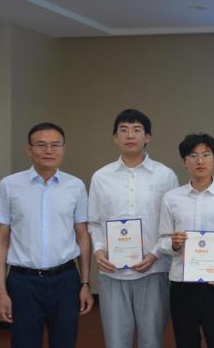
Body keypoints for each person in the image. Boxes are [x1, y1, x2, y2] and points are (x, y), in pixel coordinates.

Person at [0, 122, 94, 348]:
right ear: (29, 149)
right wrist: (1, 291)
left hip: (66, 280)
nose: (48, 151)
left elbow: (83, 236)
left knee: (65, 342)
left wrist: (85, 283)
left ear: (63, 148)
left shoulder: (75, 186)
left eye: (55, 145)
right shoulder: (9, 185)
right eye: (41, 145)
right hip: (23, 282)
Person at [88, 109, 179, 348]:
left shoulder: (165, 176)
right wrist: (98, 250)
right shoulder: (101, 177)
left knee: (152, 341)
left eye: (136, 130)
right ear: (115, 137)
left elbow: (172, 225)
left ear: (147, 137)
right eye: (124, 130)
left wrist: (155, 254)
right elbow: (94, 222)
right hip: (112, 272)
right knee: (116, 342)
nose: (130, 135)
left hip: (154, 270)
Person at [157, 133, 214, 348]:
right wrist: (173, 244)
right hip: (181, 284)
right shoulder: (171, 198)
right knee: (186, 342)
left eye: (206, 155)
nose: (200, 161)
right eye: (193, 155)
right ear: (184, 161)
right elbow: (162, 240)